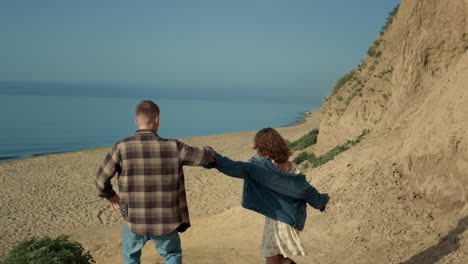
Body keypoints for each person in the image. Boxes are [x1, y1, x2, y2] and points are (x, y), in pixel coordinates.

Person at [95, 100, 214, 264]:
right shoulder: (174, 147)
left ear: (136, 121)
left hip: (134, 218)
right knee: (171, 254)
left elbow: (101, 180)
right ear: (157, 119)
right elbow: (203, 157)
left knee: (131, 256)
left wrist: (110, 195)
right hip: (165, 219)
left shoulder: (121, 147)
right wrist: (209, 150)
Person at [205, 128, 329, 264]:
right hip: (294, 218)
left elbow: (235, 167)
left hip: (279, 220)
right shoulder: (293, 167)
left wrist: (213, 157)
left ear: (260, 147)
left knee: (271, 258)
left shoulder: (261, 167)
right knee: (282, 258)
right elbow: (306, 190)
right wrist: (320, 201)